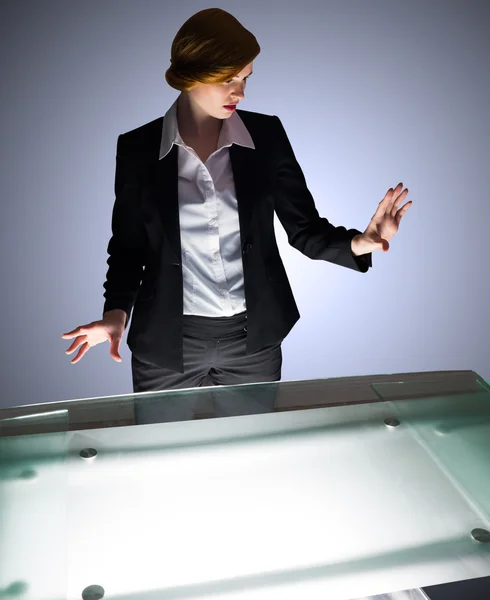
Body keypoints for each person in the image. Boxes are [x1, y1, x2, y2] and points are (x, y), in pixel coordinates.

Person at [62, 8, 411, 394]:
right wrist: (115, 315)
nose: (240, 91)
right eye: (228, 78)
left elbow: (304, 230)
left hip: (253, 342)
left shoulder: (267, 135)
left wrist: (361, 241)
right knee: (166, 451)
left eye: (245, 78)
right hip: (167, 344)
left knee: (253, 450)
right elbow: (129, 247)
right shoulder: (137, 149)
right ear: (193, 73)